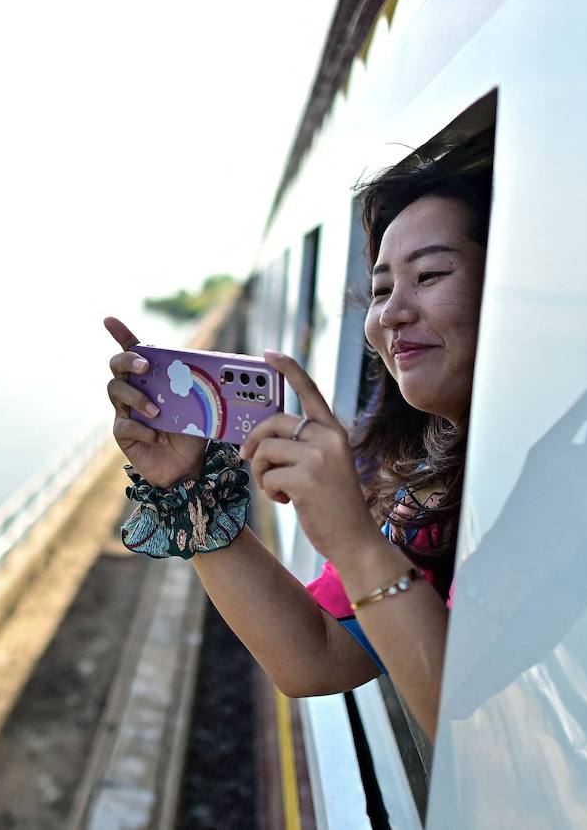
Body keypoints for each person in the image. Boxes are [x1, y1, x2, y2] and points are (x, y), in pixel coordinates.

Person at [104, 149, 490, 740]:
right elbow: (315, 656)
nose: (392, 314)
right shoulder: (438, 480)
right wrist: (184, 485)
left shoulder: (574, 482)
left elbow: (477, 731)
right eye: (382, 289)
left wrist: (353, 539)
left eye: (430, 276)